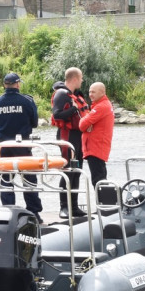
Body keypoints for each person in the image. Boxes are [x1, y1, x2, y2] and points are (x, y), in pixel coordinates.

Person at [0, 72, 42, 215]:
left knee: (6, 180)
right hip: (22, 146)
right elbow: (35, 123)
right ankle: (34, 212)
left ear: (4, 85)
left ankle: (9, 211)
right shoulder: (27, 101)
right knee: (29, 179)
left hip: (4, 146)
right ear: (18, 84)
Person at [51, 67, 90, 218]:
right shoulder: (62, 94)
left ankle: (74, 206)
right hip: (66, 136)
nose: (82, 80)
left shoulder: (74, 95)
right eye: (80, 78)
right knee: (67, 171)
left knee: (77, 172)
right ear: (74, 79)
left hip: (77, 136)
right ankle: (63, 207)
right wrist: (73, 110)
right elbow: (57, 114)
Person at [78, 81, 114, 187]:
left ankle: (105, 203)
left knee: (98, 180)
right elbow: (85, 124)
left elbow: (82, 125)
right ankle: (105, 202)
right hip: (97, 147)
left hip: (96, 147)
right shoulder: (100, 105)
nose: (90, 94)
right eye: (89, 92)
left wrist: (85, 121)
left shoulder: (101, 107)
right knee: (99, 179)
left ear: (102, 92)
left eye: (93, 92)